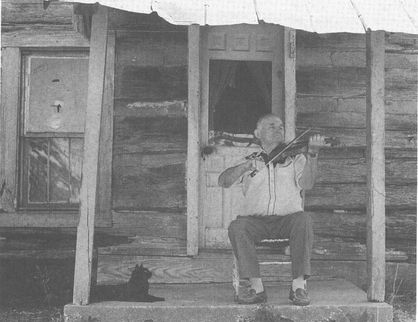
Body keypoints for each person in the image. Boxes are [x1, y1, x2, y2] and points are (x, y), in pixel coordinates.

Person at [218, 113, 325, 306]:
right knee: (237, 227)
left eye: (281, 126)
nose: (278, 129)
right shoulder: (248, 158)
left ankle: (298, 287)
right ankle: (256, 288)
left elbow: (307, 184)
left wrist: (313, 156)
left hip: (288, 220)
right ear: (257, 133)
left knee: (304, 220)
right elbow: (223, 181)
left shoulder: (296, 158)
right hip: (256, 222)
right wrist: (245, 167)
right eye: (271, 126)